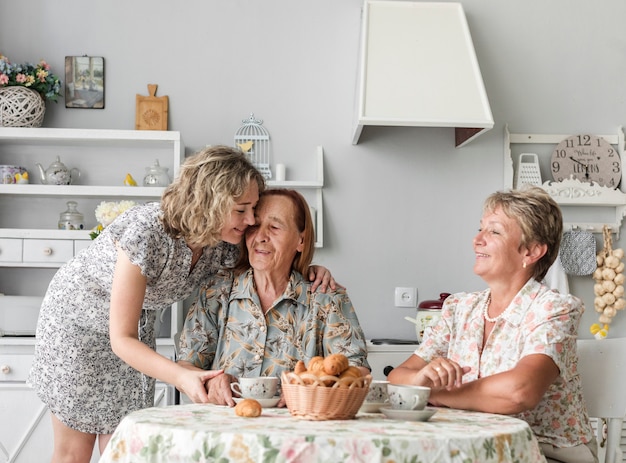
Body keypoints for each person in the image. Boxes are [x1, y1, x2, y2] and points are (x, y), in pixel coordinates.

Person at [28, 146, 336, 463]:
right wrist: (180, 376)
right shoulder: (147, 233)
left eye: (253, 208)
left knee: (123, 449)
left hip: (136, 331)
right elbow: (121, 338)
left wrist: (310, 270)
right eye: (242, 209)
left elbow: (268, 264)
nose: (251, 219)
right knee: (73, 454)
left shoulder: (223, 244)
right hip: (78, 329)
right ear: (210, 202)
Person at [387, 186, 597, 463]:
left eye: (494, 231)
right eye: (480, 229)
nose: (477, 240)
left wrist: (435, 394)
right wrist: (419, 380)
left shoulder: (555, 308)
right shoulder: (459, 308)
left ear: (531, 251)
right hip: (472, 448)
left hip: (543, 452)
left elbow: (519, 392)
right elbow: (398, 378)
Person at [178, 189, 370, 406]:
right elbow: (185, 366)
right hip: (225, 428)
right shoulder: (215, 291)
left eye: (275, 227)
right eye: (254, 226)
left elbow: (357, 372)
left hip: (298, 429)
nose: (260, 237)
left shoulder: (328, 298)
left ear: (301, 240)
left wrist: (309, 389)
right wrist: (212, 384)